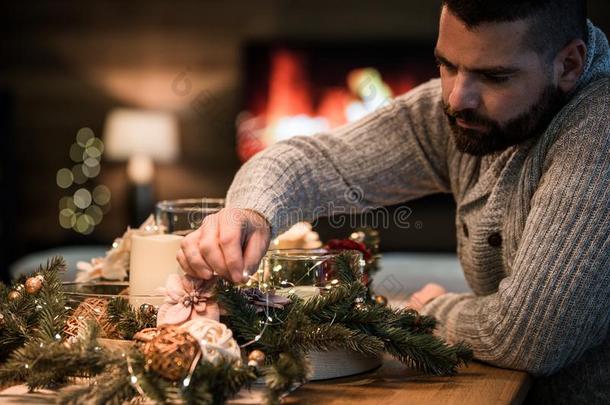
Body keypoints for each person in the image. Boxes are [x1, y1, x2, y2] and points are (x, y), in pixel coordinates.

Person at [178, 1, 610, 403]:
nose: (458, 98)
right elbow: (310, 160)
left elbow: (532, 334)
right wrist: (249, 212)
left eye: (494, 76)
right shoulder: (464, 111)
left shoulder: (599, 129)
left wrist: (430, 310)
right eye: (447, 65)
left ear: (569, 64)